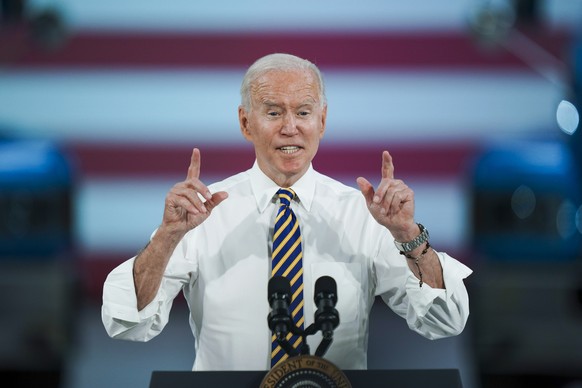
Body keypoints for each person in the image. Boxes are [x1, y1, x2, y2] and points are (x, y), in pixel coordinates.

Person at [101, 53, 472, 371]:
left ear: (322, 122)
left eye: (304, 112)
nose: (290, 128)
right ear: (246, 122)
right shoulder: (200, 212)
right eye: (273, 112)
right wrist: (168, 236)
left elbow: (444, 321)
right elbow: (128, 323)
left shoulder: (363, 214)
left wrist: (408, 235)